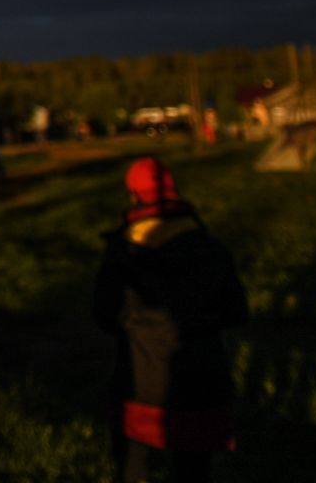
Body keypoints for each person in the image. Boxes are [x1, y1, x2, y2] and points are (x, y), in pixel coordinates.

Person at [92, 156, 248, 483]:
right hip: (202, 381)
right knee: (193, 469)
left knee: (134, 464)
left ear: (134, 196)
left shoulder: (123, 253)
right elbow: (236, 311)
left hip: (139, 382)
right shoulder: (211, 248)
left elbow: (103, 314)